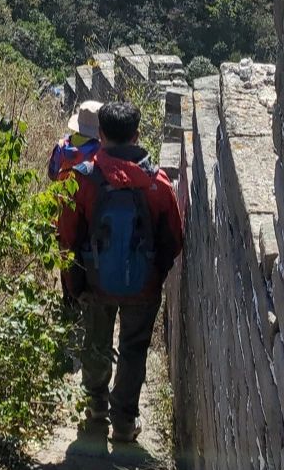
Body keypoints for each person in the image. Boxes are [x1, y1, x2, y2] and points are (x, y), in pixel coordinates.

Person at [56, 99, 183, 443]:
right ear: (137, 134)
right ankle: (125, 421)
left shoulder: (81, 179)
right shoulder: (157, 183)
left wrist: (72, 284)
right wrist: (153, 273)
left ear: (100, 134)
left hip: (94, 284)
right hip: (143, 286)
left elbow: (67, 237)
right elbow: (174, 238)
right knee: (134, 348)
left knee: (95, 343)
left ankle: (96, 406)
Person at [47, 99, 102, 181]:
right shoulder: (99, 149)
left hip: (62, 191)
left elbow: (52, 174)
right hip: (88, 192)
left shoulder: (61, 146)